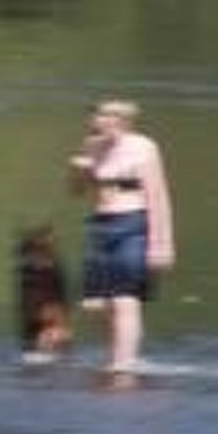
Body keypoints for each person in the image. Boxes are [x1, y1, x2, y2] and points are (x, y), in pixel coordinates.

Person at [66, 99, 174, 380]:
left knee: (126, 299)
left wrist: (161, 243)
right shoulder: (92, 146)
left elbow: (158, 196)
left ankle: (124, 363)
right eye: (97, 117)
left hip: (134, 222)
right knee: (95, 304)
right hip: (101, 225)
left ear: (123, 121)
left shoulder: (144, 147)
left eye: (107, 117)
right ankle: (117, 353)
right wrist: (79, 171)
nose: (100, 122)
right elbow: (76, 192)